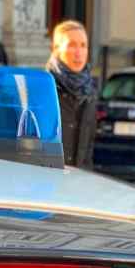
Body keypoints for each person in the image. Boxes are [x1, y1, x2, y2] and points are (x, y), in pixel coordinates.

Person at [46, 20, 97, 169]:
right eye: (72, 45)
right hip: (47, 181)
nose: (79, 52)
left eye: (83, 45)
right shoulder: (44, 87)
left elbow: (88, 150)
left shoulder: (90, 91)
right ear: (56, 49)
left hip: (78, 184)